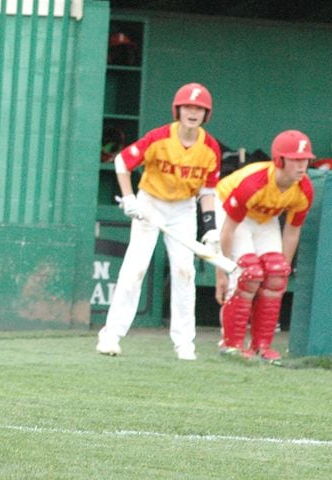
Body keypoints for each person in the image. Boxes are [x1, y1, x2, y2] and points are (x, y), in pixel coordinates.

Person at [96, 83, 222, 360]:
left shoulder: (210, 147)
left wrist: (211, 229)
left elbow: (207, 191)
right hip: (150, 203)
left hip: (183, 209)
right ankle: (111, 335)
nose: (193, 112)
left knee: (184, 272)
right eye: (188, 107)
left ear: (205, 114)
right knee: (135, 268)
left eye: (199, 108)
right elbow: (121, 162)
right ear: (178, 110)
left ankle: (184, 344)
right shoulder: (159, 137)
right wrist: (130, 199)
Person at [215, 129, 315, 364]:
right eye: (296, 160)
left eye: (306, 160)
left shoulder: (304, 188)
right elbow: (228, 230)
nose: (302, 166)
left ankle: (262, 346)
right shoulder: (253, 183)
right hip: (230, 213)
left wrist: (283, 269)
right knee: (248, 273)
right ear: (280, 160)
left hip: (263, 218)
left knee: (276, 273)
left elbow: (292, 230)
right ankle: (232, 344)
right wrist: (222, 271)